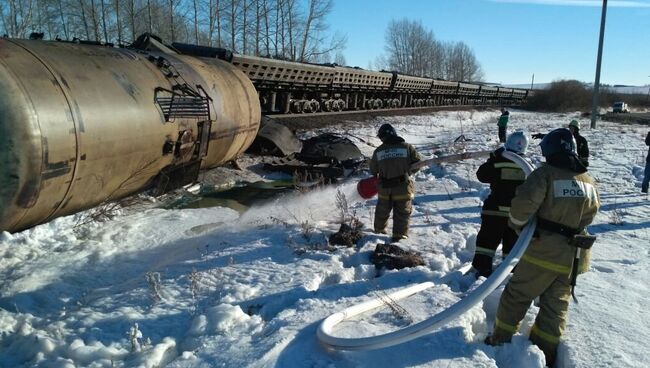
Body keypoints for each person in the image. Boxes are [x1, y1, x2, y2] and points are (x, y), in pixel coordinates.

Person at [485, 128, 600, 367]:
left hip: (543, 251)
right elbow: (590, 214)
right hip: (574, 257)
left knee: (517, 295)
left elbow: (522, 208)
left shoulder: (545, 175)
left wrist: (519, 227)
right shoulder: (588, 180)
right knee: (556, 306)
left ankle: (500, 339)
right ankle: (544, 350)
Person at [472, 131, 529, 278]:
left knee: (487, 243)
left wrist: (493, 158)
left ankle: (482, 269)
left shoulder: (498, 161)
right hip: (516, 216)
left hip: (494, 211)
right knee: (512, 245)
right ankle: (509, 272)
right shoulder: (527, 167)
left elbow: (482, 175)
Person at [369, 123, 421, 242]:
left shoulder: (378, 151)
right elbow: (417, 164)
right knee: (402, 213)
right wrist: (408, 170)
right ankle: (399, 237)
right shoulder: (407, 147)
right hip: (403, 188)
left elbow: (373, 170)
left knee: (382, 212)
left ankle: (379, 233)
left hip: (385, 190)